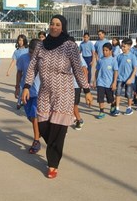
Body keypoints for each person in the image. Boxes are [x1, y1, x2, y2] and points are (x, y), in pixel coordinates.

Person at [22, 15, 92, 179]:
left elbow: (77, 69)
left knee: (58, 129)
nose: (54, 27)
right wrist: (26, 87)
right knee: (44, 125)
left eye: (58, 24)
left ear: (63, 27)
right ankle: (53, 146)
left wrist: (87, 90)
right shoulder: (40, 45)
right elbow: (32, 68)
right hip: (44, 92)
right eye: (52, 24)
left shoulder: (70, 46)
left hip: (64, 93)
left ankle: (53, 164)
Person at [16, 39, 41, 154]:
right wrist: (17, 87)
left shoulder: (43, 60)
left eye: (34, 53)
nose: (32, 55)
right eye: (31, 52)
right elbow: (19, 73)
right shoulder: (23, 58)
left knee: (35, 116)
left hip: (39, 92)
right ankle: (39, 130)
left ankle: (36, 141)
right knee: (30, 117)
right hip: (26, 92)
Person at [93, 43, 118, 119]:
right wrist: (94, 80)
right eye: (103, 50)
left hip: (109, 83)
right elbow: (97, 71)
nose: (104, 52)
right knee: (100, 98)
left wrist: (114, 83)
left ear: (110, 51)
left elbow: (116, 72)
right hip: (100, 82)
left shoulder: (113, 60)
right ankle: (101, 111)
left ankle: (113, 105)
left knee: (110, 99)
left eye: (106, 50)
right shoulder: (100, 60)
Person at [114, 38, 137, 116]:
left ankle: (129, 108)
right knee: (118, 93)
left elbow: (135, 68)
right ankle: (117, 108)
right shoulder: (119, 56)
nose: (122, 48)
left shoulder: (132, 56)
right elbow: (116, 68)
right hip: (120, 78)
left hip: (129, 79)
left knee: (129, 94)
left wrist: (131, 78)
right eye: (122, 46)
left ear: (129, 47)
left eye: (124, 46)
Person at [72, 52, 89, 130]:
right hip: (66, 85)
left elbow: (85, 70)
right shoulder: (62, 55)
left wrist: (85, 84)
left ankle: (79, 119)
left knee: (74, 104)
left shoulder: (78, 56)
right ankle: (74, 118)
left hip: (76, 85)